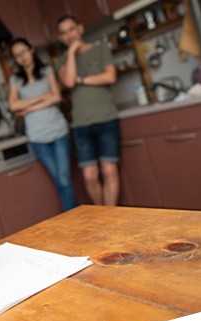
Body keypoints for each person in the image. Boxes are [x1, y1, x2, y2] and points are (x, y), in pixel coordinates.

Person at [54, 15, 121, 206]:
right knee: (90, 175)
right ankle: (103, 216)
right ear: (60, 38)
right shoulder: (62, 61)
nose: (69, 35)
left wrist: (82, 80)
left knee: (109, 170)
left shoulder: (100, 49)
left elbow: (110, 76)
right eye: (64, 33)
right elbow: (67, 81)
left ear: (80, 28)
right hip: (81, 123)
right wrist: (72, 53)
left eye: (71, 29)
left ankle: (113, 216)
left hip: (106, 117)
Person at [7, 37, 77, 211]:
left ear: (31, 50)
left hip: (58, 131)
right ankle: (73, 218)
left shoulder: (46, 71)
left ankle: (75, 220)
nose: (21, 57)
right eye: (17, 55)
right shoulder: (15, 80)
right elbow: (14, 105)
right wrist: (43, 97)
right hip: (37, 137)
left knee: (64, 179)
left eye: (23, 52)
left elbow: (57, 97)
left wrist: (29, 108)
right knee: (59, 180)